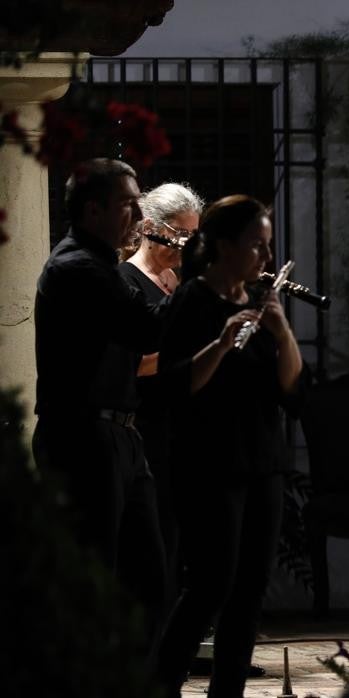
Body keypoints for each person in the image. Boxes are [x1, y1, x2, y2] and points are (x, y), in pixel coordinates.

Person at [155, 195, 303, 698]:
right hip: (210, 463)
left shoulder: (262, 303)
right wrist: (220, 344)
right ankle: (160, 683)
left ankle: (228, 694)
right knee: (210, 586)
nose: (264, 257)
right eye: (255, 246)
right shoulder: (193, 300)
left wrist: (283, 334)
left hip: (263, 461)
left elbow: (291, 385)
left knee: (249, 594)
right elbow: (177, 385)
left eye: (268, 247)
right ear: (223, 247)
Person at [31, 158, 169, 658]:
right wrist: (205, 275)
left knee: (150, 583)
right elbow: (148, 331)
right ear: (93, 211)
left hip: (119, 440)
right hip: (84, 442)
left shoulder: (103, 266)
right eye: (129, 203)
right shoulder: (78, 269)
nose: (139, 214)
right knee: (95, 587)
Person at [119, 182, 204, 597]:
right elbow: (132, 365)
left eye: (193, 236)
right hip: (149, 431)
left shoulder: (174, 277)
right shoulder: (127, 282)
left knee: (185, 545)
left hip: (182, 429)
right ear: (151, 227)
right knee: (159, 542)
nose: (186, 245)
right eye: (180, 235)